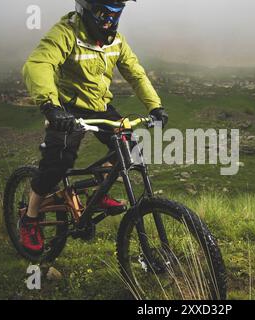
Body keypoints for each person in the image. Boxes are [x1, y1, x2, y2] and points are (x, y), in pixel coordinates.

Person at [21, 0, 168, 253]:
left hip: (100, 106)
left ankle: (97, 195)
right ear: (86, 10)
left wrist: (154, 106)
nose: (109, 21)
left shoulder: (116, 41)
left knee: (129, 152)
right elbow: (38, 64)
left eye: (116, 14)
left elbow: (136, 73)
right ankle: (30, 218)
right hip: (66, 108)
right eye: (104, 14)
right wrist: (50, 106)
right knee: (57, 165)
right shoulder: (66, 32)